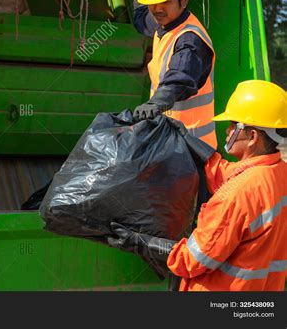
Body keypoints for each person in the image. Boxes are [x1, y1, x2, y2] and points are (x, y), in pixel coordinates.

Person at [109, 80, 287, 291]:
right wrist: (188, 139)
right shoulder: (278, 172)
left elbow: (192, 260)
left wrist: (141, 242)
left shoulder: (235, 195)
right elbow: (228, 174)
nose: (228, 131)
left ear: (252, 137)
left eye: (233, 125)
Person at [131, 0, 217, 149]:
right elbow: (141, 17)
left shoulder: (190, 40)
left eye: (166, 2)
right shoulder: (162, 23)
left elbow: (180, 78)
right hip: (172, 143)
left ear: (184, 0)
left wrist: (155, 103)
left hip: (193, 148)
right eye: (153, 2)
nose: (157, 9)